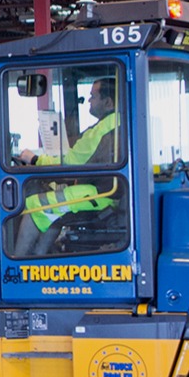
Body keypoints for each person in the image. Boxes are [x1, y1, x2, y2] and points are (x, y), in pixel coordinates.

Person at [11, 77, 121, 259]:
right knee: (54, 206)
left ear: (108, 102)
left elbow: (69, 164)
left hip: (102, 195)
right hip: (110, 190)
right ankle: (40, 255)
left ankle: (16, 265)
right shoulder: (118, 121)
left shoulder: (101, 129)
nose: (89, 101)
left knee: (34, 205)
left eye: (93, 96)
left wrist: (34, 159)